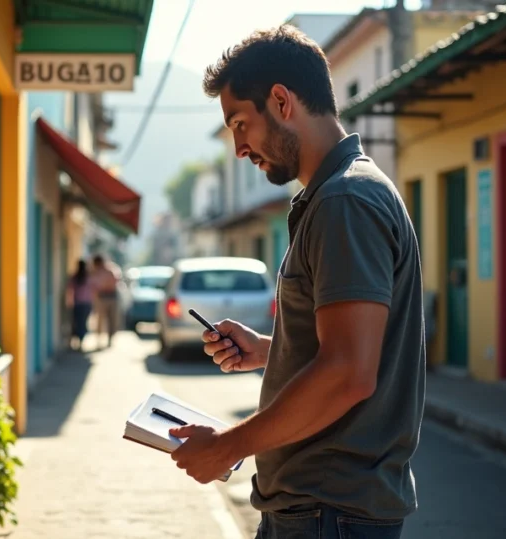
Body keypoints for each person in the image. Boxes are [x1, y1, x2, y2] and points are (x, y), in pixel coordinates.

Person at [168, 26, 424, 539]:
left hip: (329, 514)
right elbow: (345, 349)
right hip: (321, 510)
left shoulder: (345, 201)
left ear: (282, 101)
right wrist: (270, 350)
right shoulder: (334, 195)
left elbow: (349, 371)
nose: (238, 147)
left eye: (240, 123)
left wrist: (227, 445)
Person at [90, 254, 121, 347]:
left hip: (111, 296)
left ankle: (110, 339)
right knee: (100, 319)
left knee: (112, 319)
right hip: (102, 297)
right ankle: (99, 338)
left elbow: (115, 281)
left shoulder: (110, 269)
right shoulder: (96, 272)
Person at [66, 259, 94, 351]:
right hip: (86, 303)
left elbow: (70, 290)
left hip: (77, 303)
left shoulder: (75, 277)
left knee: (76, 323)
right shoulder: (88, 277)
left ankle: (75, 341)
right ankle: (81, 342)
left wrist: (69, 302)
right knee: (83, 323)